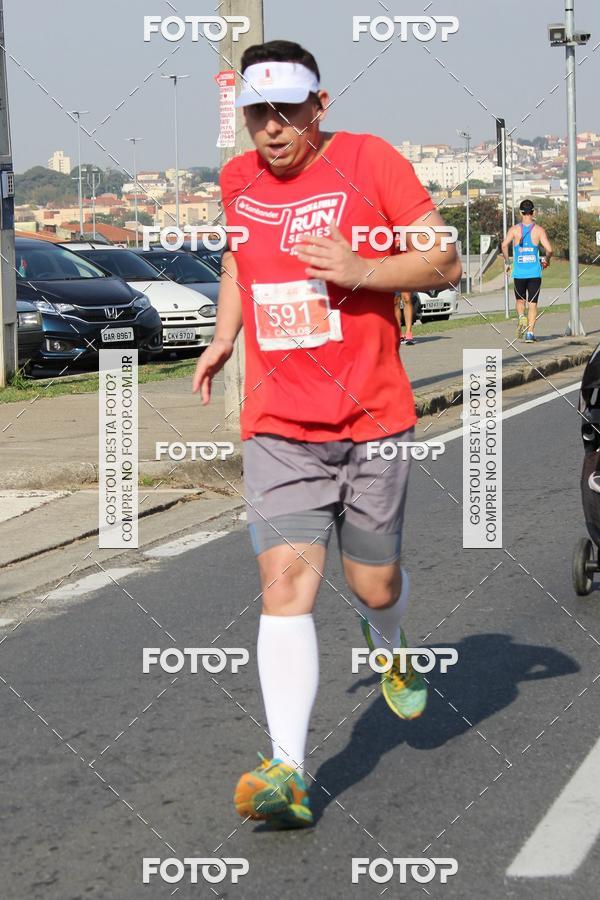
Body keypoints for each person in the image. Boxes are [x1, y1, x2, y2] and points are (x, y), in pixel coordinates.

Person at [192, 40, 461, 829]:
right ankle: (289, 769)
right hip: (279, 424)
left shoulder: (373, 163)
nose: (271, 130)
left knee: (372, 582)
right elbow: (242, 264)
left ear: (321, 106)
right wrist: (222, 336)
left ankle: (390, 636)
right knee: (286, 590)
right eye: (256, 115)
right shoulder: (237, 180)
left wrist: (360, 270)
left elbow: (444, 261)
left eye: (286, 112)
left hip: (373, 418)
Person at [501, 199, 552, 343]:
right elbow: (549, 249)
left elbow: (504, 245)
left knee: (519, 300)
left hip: (519, 273)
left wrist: (508, 262)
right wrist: (546, 260)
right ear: (533, 212)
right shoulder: (539, 230)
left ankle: (521, 317)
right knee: (533, 304)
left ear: (520, 212)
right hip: (535, 273)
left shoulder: (514, 230)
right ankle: (530, 333)